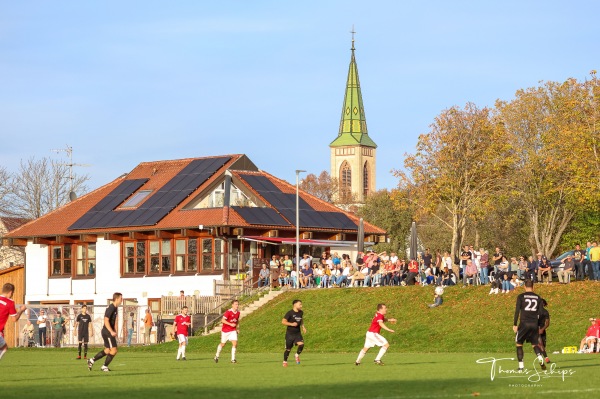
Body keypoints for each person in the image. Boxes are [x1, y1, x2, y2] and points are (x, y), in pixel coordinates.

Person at [513, 280, 546, 371]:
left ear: (524, 287)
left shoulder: (521, 297)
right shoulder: (538, 297)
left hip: (524, 323)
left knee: (519, 344)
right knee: (535, 344)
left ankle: (521, 366)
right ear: (533, 286)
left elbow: (517, 311)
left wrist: (515, 324)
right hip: (534, 323)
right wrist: (539, 325)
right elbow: (541, 313)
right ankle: (540, 358)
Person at [88, 292, 123, 372]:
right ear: (117, 299)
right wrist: (111, 331)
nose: (122, 300)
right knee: (114, 350)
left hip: (107, 331)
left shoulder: (115, 308)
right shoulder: (111, 308)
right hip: (107, 332)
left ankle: (91, 360)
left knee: (107, 350)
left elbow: (112, 321)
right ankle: (104, 366)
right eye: (121, 298)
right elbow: (106, 320)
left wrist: (115, 330)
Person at [0, 283, 27, 360]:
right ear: (10, 292)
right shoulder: (10, 302)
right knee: (4, 348)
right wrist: (21, 310)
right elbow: (14, 319)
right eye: (13, 293)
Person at [281, 299, 306, 367]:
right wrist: (291, 324)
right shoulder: (289, 313)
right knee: (288, 349)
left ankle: (296, 355)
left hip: (297, 333)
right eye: (300, 304)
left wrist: (303, 327)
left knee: (301, 344)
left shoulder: (301, 312)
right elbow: (283, 321)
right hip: (289, 334)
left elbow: (301, 319)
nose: (301, 306)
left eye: (301, 304)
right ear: (295, 305)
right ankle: (285, 361)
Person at [538, 299, 551, 364]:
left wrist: (542, 329)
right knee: (540, 344)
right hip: (535, 330)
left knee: (543, 345)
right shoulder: (534, 311)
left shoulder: (545, 312)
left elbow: (547, 323)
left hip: (542, 329)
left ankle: (541, 358)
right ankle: (546, 358)